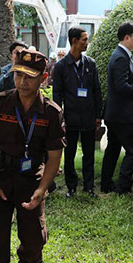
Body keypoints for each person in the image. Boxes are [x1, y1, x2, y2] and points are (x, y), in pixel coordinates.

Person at [0, 49, 65, 263]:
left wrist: (42, 189)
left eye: (30, 76)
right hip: (1, 177)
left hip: (31, 179)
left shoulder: (51, 112)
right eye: (18, 75)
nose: (22, 82)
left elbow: (54, 155)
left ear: (44, 78)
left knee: (33, 236)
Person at [52, 26, 102, 198]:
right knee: (70, 154)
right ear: (74, 41)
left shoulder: (91, 64)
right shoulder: (60, 67)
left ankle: (89, 187)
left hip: (88, 116)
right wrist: (59, 118)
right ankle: (71, 187)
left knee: (89, 153)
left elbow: (97, 90)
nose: (87, 43)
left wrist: (98, 116)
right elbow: (57, 94)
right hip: (70, 118)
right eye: (85, 39)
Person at [101, 21, 133, 194]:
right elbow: (120, 87)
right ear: (127, 37)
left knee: (112, 149)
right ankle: (123, 187)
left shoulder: (122, 54)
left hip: (116, 113)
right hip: (123, 115)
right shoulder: (121, 57)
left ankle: (106, 185)